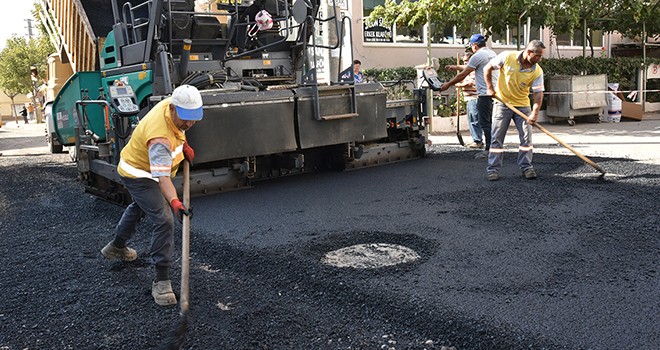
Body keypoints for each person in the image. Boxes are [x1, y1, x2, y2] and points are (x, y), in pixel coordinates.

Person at [101, 84, 203, 306]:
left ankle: (116, 247)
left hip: (147, 167)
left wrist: (183, 144)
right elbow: (163, 179)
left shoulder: (172, 106)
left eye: (193, 118)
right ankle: (162, 281)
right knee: (165, 220)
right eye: (185, 118)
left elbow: (178, 130)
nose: (188, 123)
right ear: (173, 109)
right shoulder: (159, 138)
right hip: (138, 174)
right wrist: (175, 202)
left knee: (139, 207)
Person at [483, 40, 545, 181]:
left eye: (541, 57)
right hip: (502, 104)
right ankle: (493, 170)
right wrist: (490, 88)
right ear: (528, 52)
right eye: (538, 56)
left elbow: (538, 94)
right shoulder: (507, 57)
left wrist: (534, 113)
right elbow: (487, 68)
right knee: (497, 139)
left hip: (523, 106)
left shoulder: (537, 71)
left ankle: (526, 167)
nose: (539, 59)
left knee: (526, 139)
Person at [440, 34, 497, 158]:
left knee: (485, 123)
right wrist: (456, 67)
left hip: (484, 94)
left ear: (474, 46)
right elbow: (471, 66)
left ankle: (490, 150)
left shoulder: (478, 55)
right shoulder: (491, 53)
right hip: (495, 93)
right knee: (490, 122)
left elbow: (463, 74)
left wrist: (448, 84)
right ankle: (494, 147)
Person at [447, 51, 482, 148]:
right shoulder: (469, 70)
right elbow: (463, 69)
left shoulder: (475, 71)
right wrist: (455, 67)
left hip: (474, 97)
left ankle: (478, 140)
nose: (465, 63)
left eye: (467, 61)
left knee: (475, 120)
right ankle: (476, 139)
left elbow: (470, 83)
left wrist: (459, 84)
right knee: (471, 119)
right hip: (469, 98)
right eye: (464, 61)